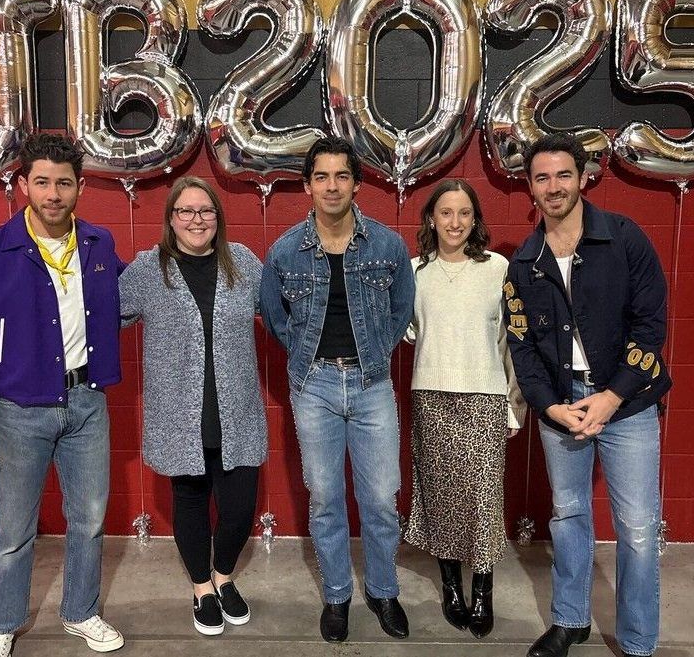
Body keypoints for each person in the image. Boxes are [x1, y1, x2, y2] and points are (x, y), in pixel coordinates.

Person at [0, 133, 125, 657]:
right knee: (13, 527)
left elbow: (129, 295)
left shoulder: (100, 244)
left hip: (87, 405)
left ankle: (81, 612)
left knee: (90, 518)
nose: (53, 194)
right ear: (23, 184)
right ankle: (3, 623)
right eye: (43, 182)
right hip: (17, 411)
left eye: (64, 183)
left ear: (81, 188)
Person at [505, 133, 671, 657]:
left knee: (639, 529)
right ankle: (570, 619)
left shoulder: (624, 238)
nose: (553, 187)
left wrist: (612, 397)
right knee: (569, 515)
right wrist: (549, 406)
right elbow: (522, 348)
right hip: (561, 406)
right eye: (541, 178)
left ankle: (639, 641)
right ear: (530, 187)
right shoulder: (525, 262)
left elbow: (651, 329)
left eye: (562, 175)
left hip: (629, 404)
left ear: (582, 178)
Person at [260, 136, 415, 643]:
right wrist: (304, 357)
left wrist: (375, 354)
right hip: (315, 385)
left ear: (355, 183)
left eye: (341, 175)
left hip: (372, 384)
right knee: (325, 496)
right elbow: (274, 314)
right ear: (307, 185)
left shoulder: (388, 246)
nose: (331, 185)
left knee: (380, 496)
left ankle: (383, 589)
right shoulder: (285, 251)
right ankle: (336, 595)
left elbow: (400, 311)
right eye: (321, 176)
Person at [119, 176, 266, 637]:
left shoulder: (242, 263)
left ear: (218, 217)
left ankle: (224, 575)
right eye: (185, 211)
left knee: (240, 508)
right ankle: (202, 588)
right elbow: (104, 316)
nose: (196, 219)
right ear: (170, 219)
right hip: (179, 415)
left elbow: (282, 313)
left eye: (205, 210)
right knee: (191, 502)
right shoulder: (149, 269)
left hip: (236, 412)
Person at [404, 179, 526, 639]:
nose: (455, 223)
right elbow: (409, 328)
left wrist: (514, 407)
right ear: (431, 219)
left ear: (475, 221)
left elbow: (513, 343)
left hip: (485, 398)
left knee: (483, 501)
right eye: (446, 213)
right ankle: (452, 586)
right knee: (441, 497)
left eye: (464, 214)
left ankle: (483, 592)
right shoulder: (415, 270)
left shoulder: (498, 268)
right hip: (431, 396)